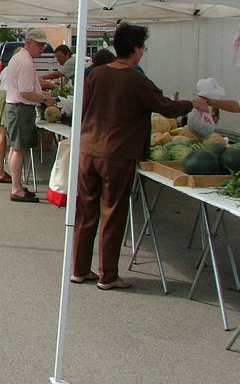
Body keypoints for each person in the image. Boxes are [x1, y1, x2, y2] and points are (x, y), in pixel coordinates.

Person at [72, 23, 205, 290]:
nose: (143, 51)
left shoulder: (96, 74)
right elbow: (166, 107)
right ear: (135, 49)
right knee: (112, 213)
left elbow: (81, 107)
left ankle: (79, 269)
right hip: (117, 154)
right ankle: (108, 275)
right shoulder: (136, 79)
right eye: (143, 47)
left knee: (86, 212)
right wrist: (193, 103)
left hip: (88, 150)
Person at [2, 28, 55, 203]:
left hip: (17, 107)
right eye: (39, 45)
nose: (41, 49)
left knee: (17, 148)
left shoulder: (20, 58)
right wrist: (44, 99)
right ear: (29, 43)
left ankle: (17, 185)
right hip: (20, 108)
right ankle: (16, 189)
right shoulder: (24, 61)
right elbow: (25, 91)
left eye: (43, 45)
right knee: (18, 149)